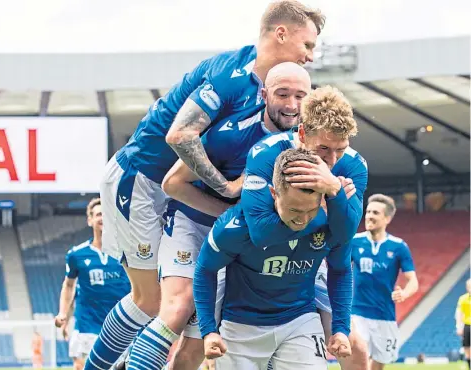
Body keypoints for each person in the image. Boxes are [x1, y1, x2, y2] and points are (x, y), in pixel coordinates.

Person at [86, 1, 326, 369]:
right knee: (153, 302)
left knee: (181, 315)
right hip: (141, 179)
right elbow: (180, 135)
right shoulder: (233, 74)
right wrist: (229, 189)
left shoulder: (265, 86)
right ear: (281, 33)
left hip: (175, 193)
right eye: (307, 45)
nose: (311, 56)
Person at [141, 62, 311, 370]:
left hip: (239, 242)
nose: (291, 104)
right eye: (282, 94)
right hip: (193, 224)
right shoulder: (231, 135)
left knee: (197, 349)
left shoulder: (309, 144)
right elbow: (173, 184)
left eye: (301, 96)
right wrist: (230, 198)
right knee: (179, 305)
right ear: (263, 95)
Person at [240, 84, 369, 369]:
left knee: (356, 348)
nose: (331, 160)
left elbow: (345, 234)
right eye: (323, 148)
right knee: (196, 343)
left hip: (312, 258)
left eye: (340, 149)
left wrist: (331, 189)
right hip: (252, 263)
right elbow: (261, 232)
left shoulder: (354, 166)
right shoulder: (265, 154)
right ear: (301, 134)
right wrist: (332, 206)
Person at [193, 148, 353, 369]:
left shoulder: (331, 223)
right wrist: (209, 331)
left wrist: (341, 329)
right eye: (294, 210)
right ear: (273, 193)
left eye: (311, 210)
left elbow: (341, 269)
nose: (303, 220)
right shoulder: (234, 228)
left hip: (300, 320)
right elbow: (205, 270)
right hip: (241, 326)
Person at [54, 198, 131, 370]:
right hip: (87, 324)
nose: (102, 218)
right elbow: (68, 285)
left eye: (106, 214)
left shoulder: (126, 251)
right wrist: (63, 313)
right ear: (90, 220)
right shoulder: (76, 255)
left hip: (121, 326)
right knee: (82, 366)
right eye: (98, 214)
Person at [351, 194, 419, 370]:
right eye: (368, 211)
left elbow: (413, 281)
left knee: (379, 362)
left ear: (387, 218)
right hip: (357, 313)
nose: (369, 216)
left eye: (375, 212)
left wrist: (404, 293)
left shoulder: (398, 246)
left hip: (385, 315)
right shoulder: (354, 241)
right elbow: (337, 270)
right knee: (360, 358)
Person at [456, 279, 471, 369]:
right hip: (467, 326)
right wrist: (459, 326)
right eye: (469, 287)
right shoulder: (463, 299)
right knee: (466, 346)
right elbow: (459, 313)